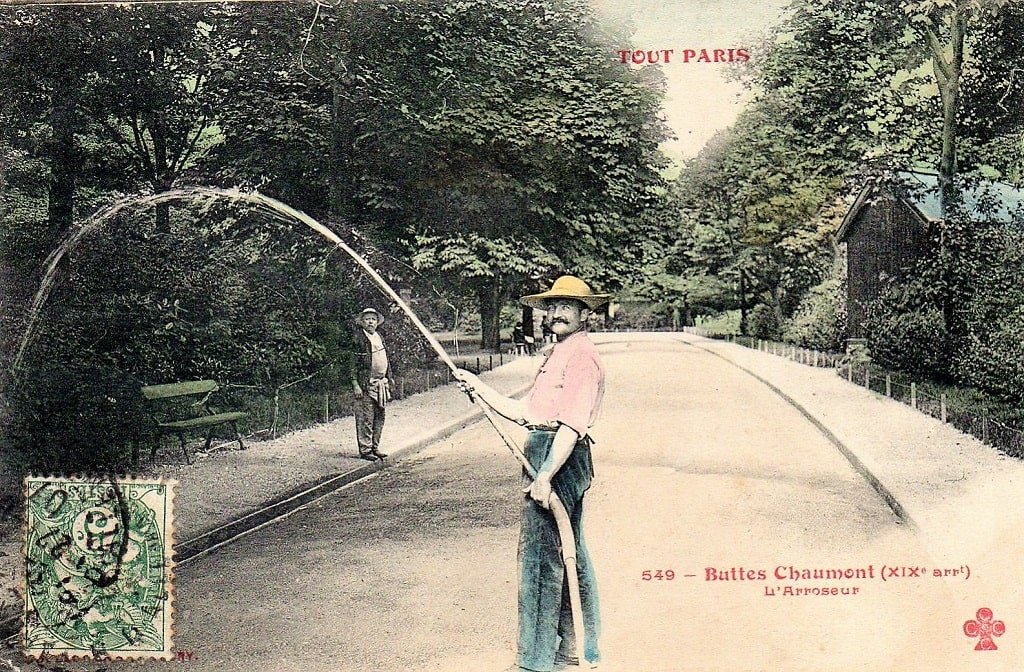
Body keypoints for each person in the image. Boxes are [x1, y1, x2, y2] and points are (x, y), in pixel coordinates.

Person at [455, 275, 608, 672]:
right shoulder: (558, 352)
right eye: (552, 306)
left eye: (566, 306)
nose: (556, 313)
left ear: (583, 313)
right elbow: (528, 412)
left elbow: (572, 425)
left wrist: (545, 476)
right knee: (567, 551)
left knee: (540, 559)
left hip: (560, 457)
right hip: (548, 448)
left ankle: (535, 662)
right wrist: (477, 386)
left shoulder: (582, 356)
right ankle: (577, 648)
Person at [349, 307, 393, 461]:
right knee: (366, 417)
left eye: (373, 319)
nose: (370, 322)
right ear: (362, 322)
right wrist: (355, 384)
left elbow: (385, 359)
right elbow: (352, 363)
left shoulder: (379, 337)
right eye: (367, 319)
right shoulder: (358, 339)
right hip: (366, 384)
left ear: (377, 322)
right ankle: (365, 449)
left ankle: (375, 447)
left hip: (381, 383)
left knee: (379, 416)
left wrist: (389, 378)